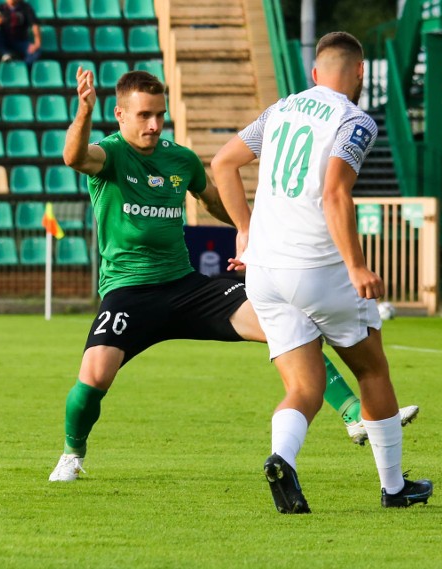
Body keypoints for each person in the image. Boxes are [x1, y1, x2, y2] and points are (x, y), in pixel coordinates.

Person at [47, 69, 418, 483]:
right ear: (119, 114)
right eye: (144, 115)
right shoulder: (110, 154)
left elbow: (214, 201)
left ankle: (354, 416)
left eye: (160, 115)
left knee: (289, 325)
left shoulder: (180, 159)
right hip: (129, 292)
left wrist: (254, 236)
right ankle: (72, 453)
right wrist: (82, 113)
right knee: (95, 375)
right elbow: (75, 158)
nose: (153, 125)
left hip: (185, 285)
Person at [212, 31, 433, 513]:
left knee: (304, 387)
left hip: (264, 272)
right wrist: (356, 265)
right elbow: (335, 192)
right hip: (315, 267)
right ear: (359, 73)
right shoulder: (353, 119)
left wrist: (244, 231)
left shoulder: (282, 109)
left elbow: (223, 162)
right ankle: (394, 489)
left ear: (314, 73)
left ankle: (281, 459)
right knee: (372, 368)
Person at [0, 0, 41, 64]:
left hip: (21, 41)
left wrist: (37, 42)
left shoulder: (25, 7)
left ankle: (23, 69)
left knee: (35, 53)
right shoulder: (1, 8)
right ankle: (6, 53)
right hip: (5, 41)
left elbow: (34, 24)